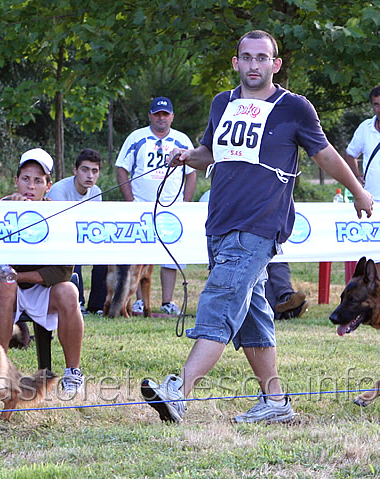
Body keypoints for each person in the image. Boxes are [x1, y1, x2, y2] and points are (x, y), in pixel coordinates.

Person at [141, 30, 373, 424]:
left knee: (219, 300)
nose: (252, 65)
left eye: (261, 58)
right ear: (235, 62)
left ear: (275, 64)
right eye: (245, 58)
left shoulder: (294, 107)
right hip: (220, 222)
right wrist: (186, 156)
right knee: (252, 313)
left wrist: (357, 190)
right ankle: (277, 402)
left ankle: (179, 391)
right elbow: (210, 153)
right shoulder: (222, 103)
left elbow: (326, 154)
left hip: (261, 223)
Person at [0, 148, 85, 393]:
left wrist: (20, 276)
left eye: (38, 181)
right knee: (6, 287)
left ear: (48, 186)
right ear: (16, 181)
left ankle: (73, 373)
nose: (30, 186)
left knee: (69, 291)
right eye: (25, 179)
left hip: (38, 286)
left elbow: (63, 271)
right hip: (2, 285)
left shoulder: (59, 214)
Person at [116, 96, 196, 316]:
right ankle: (141, 301)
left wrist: (185, 204)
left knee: (172, 254)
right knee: (142, 254)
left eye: (166, 114)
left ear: (172, 116)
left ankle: (168, 301)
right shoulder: (137, 137)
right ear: (150, 115)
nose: (161, 118)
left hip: (172, 207)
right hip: (142, 207)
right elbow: (122, 168)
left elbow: (191, 174)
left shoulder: (182, 140)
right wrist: (131, 201)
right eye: (157, 114)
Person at [46, 148, 107, 314]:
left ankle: (97, 306)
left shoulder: (96, 192)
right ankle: (77, 302)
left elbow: (96, 223)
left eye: (95, 171)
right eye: (85, 170)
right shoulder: (59, 190)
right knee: (74, 254)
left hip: (86, 238)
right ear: (75, 170)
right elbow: (58, 226)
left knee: (105, 256)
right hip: (62, 240)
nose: (90, 176)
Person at [344, 85, 380, 201]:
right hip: (370, 201)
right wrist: (357, 178)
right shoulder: (365, 128)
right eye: (376, 104)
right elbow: (350, 154)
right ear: (372, 106)